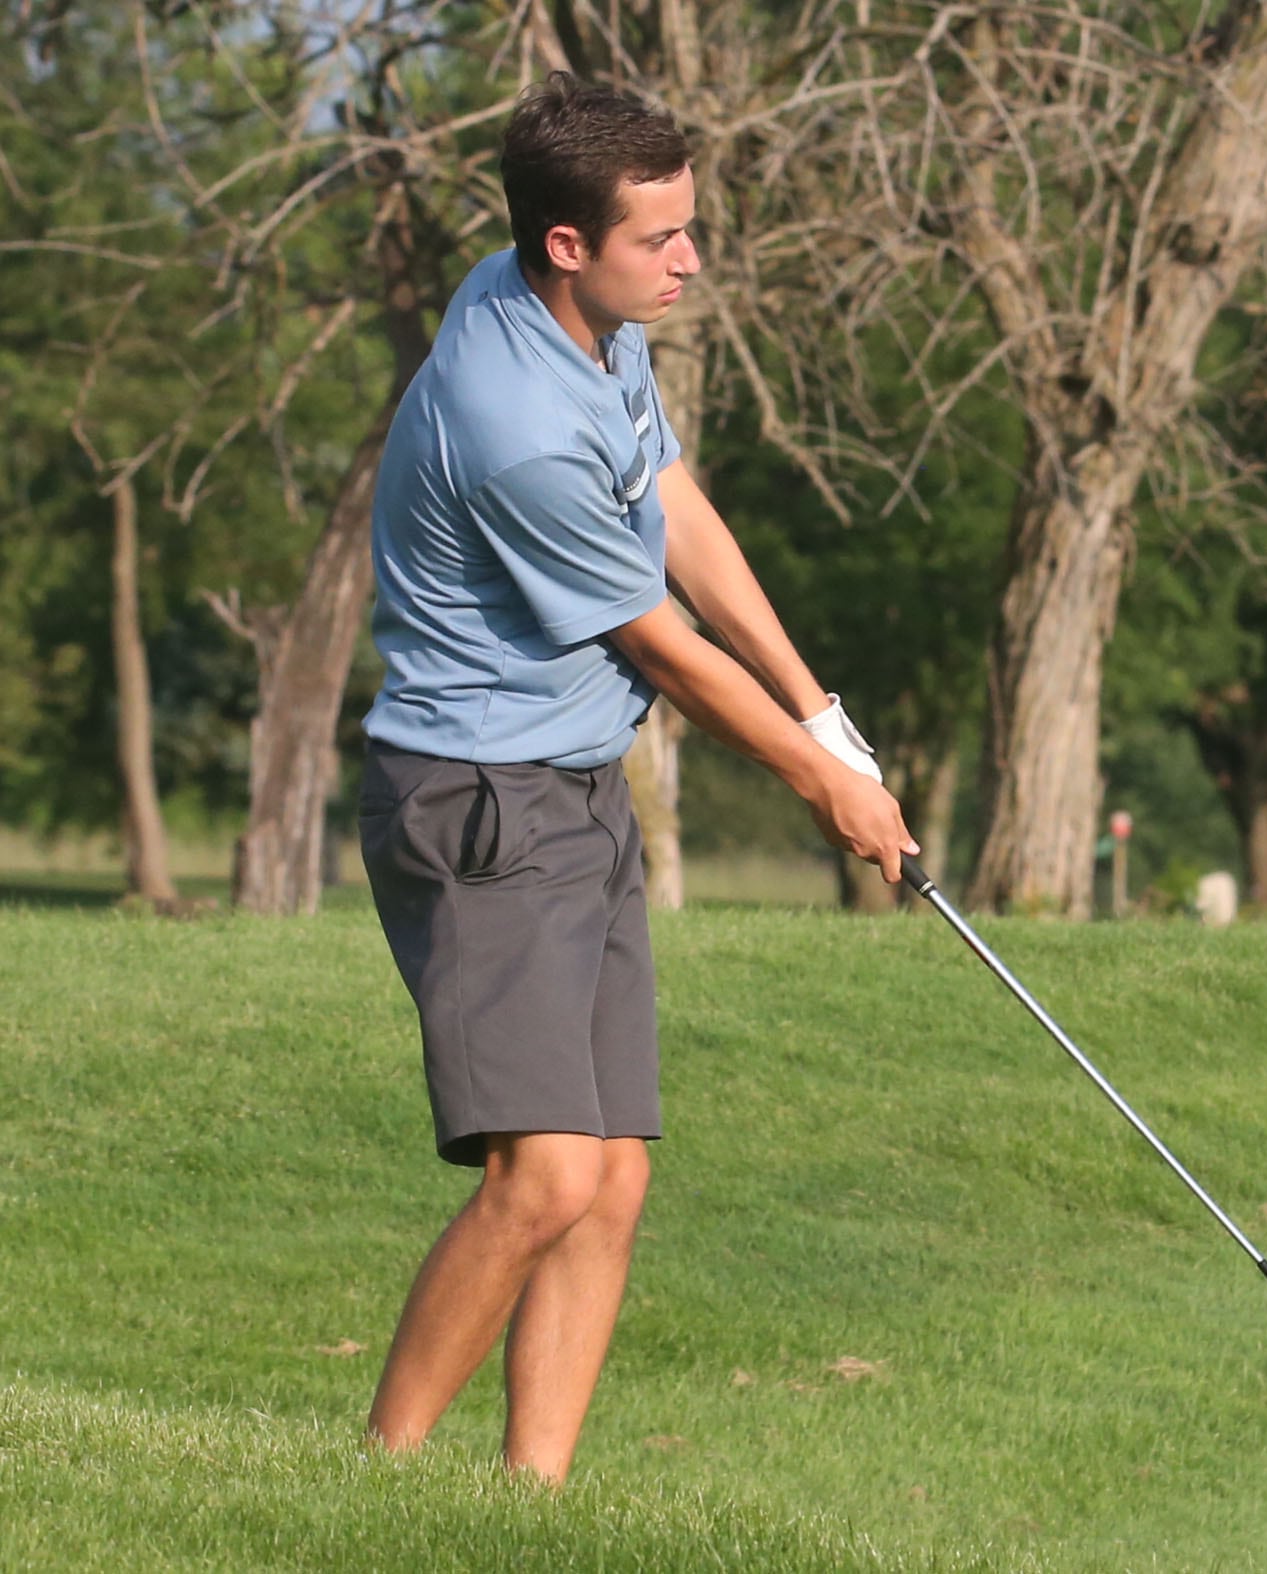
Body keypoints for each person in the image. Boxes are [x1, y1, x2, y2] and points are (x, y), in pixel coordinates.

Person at [355, 71, 914, 1483]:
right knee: (543, 1173)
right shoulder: (512, 418)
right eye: (659, 239)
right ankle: (371, 1482)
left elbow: (671, 505)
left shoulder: (585, 320)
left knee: (614, 1173)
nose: (691, 260)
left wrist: (818, 707)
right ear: (564, 243)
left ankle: (529, 1499)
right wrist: (818, 785)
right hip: (477, 797)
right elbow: (658, 644)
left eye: (688, 228)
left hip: (574, 779)